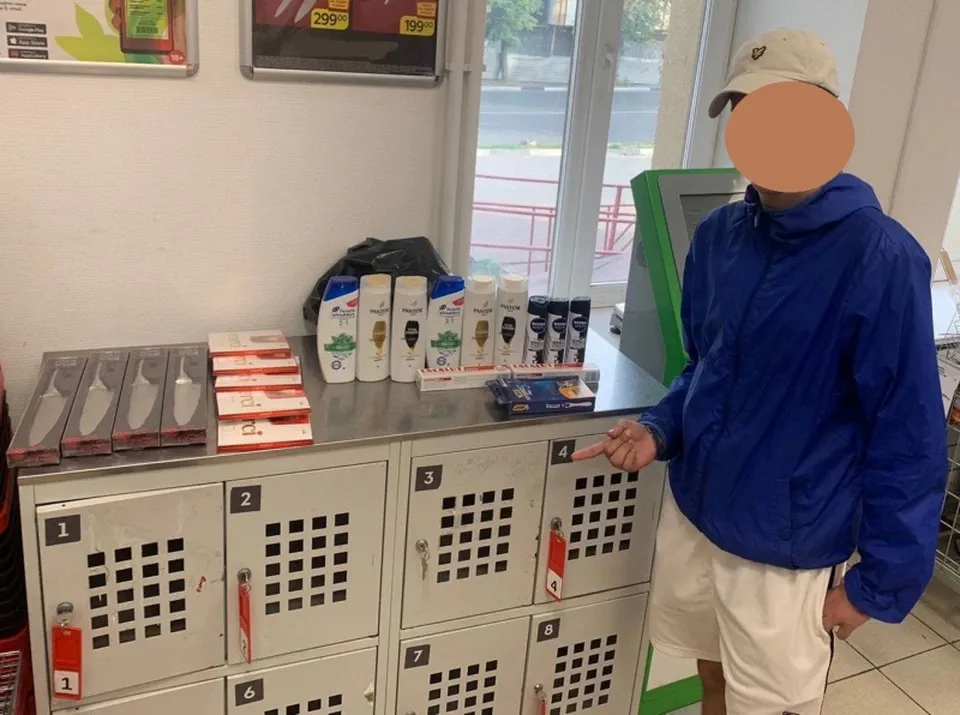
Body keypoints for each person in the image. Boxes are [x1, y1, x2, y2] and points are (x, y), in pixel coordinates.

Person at [574, 28, 947, 715]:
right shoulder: (720, 237)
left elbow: (909, 434)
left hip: (785, 548)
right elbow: (705, 369)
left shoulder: (880, 259)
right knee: (711, 678)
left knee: (769, 706)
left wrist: (880, 583)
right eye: (745, 111)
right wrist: (660, 428)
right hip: (698, 515)